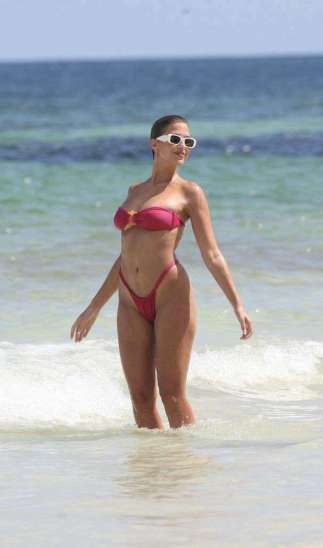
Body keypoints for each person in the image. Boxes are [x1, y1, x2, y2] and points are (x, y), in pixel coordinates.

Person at [70, 115, 253, 429]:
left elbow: (212, 253)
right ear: (154, 144)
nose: (183, 147)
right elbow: (124, 257)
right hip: (129, 298)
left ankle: (187, 467)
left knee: (172, 395)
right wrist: (93, 307)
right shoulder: (134, 191)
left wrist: (237, 304)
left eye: (189, 142)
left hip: (171, 294)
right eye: (175, 140)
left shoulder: (190, 193)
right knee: (140, 399)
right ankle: (153, 472)